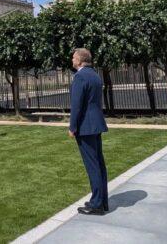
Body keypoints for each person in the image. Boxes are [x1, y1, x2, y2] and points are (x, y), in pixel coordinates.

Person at [68, 48, 109, 215]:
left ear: (79, 60)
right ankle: (102, 201)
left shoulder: (80, 77)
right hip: (96, 124)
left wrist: (72, 127)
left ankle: (96, 204)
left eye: (73, 58)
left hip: (85, 127)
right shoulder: (94, 75)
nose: (72, 60)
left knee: (93, 166)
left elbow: (77, 105)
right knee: (99, 164)